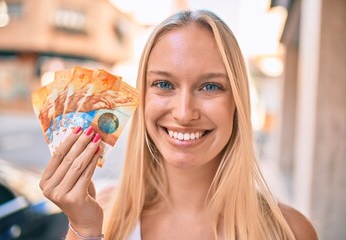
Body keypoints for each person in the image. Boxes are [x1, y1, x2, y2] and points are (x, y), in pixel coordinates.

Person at [39, 9, 318, 240]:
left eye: (210, 86)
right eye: (164, 84)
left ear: (237, 102)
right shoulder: (103, 213)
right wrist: (86, 231)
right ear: (143, 97)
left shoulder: (290, 231)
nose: (184, 113)